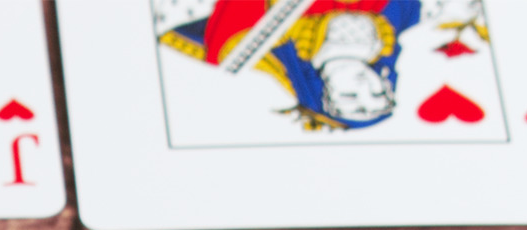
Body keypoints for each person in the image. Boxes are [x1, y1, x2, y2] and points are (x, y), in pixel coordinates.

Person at [154, 0, 424, 131]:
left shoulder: (244, 47)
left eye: (351, 96)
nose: (364, 87)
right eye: (377, 94)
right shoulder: (399, 20)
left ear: (323, 94)